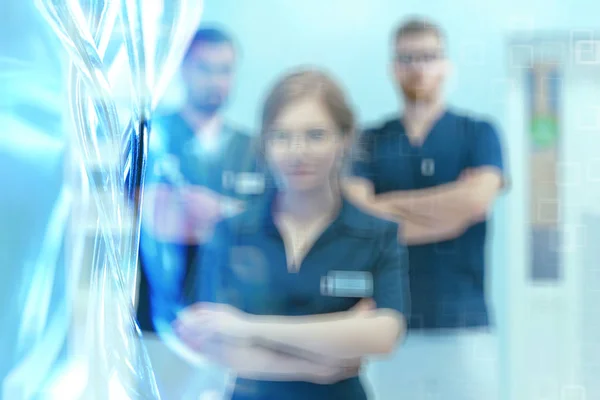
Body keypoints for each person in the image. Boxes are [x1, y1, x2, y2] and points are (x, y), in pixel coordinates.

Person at [173, 69, 410, 400]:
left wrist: (247, 327)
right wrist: (318, 361)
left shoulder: (376, 233)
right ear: (265, 143)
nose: (297, 151)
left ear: (344, 139)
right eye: (281, 136)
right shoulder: (232, 231)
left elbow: (385, 334)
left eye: (315, 135)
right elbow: (208, 339)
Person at [345, 17, 507, 400]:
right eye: (407, 58)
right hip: (390, 329)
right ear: (392, 67)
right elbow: (359, 221)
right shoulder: (369, 140)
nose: (418, 66)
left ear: (446, 64)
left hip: (465, 328)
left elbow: (476, 200)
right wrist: (451, 210)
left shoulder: (478, 132)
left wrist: (387, 210)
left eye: (428, 56)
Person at [136, 27, 264, 398]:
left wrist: (218, 210)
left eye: (225, 69)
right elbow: (152, 218)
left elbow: (269, 225)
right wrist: (232, 216)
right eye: (205, 68)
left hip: (234, 319)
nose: (216, 80)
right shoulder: (153, 136)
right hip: (159, 322)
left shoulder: (253, 148)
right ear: (183, 70)